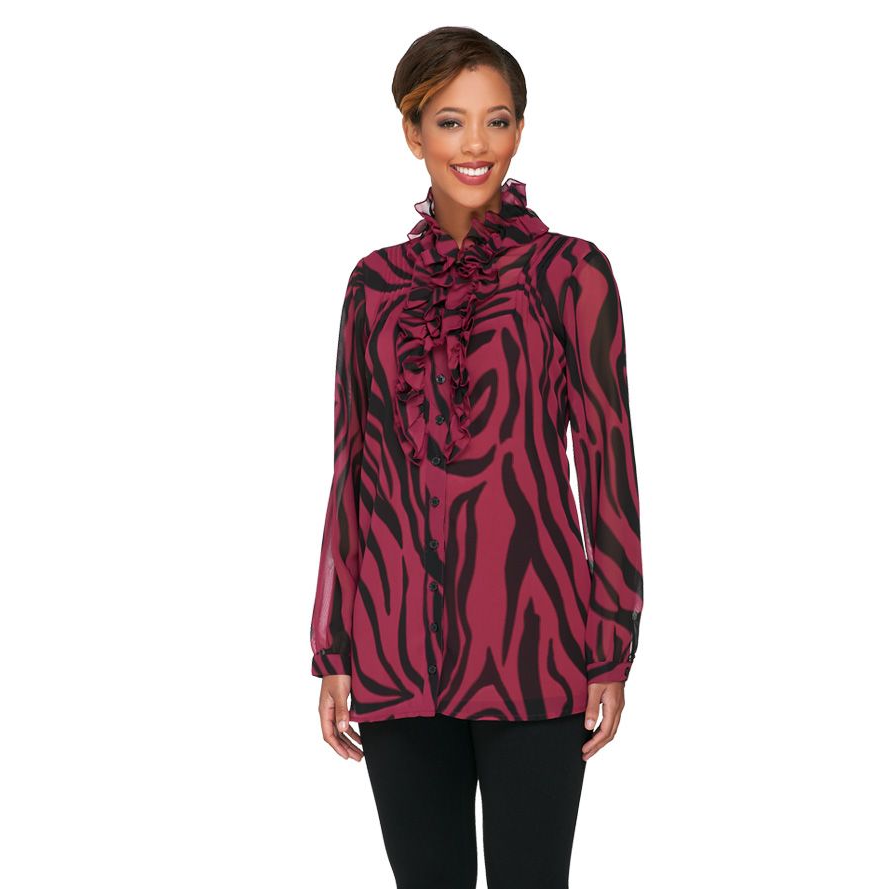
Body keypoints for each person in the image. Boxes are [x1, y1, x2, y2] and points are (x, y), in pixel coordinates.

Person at [309, 26, 643, 889]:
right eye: (450, 121)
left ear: (520, 130)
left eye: (497, 120)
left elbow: (607, 463)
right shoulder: (373, 285)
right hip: (392, 645)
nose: (476, 145)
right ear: (412, 132)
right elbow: (352, 468)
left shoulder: (572, 274)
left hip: (535, 644)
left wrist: (612, 644)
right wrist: (334, 643)